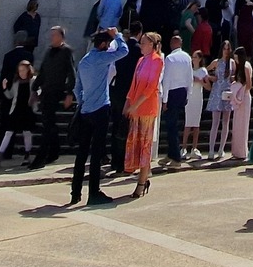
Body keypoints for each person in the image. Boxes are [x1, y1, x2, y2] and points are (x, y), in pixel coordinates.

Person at [67, 27, 129, 207]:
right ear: (102, 44)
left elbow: (77, 87)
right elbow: (123, 51)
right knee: (96, 153)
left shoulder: (84, 61)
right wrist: (116, 34)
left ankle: (75, 191)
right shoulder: (101, 59)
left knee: (81, 153)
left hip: (85, 110)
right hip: (100, 108)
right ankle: (93, 192)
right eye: (107, 44)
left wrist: (82, 102)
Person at [123, 31, 165, 194]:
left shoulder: (157, 60)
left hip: (147, 108)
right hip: (136, 107)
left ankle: (141, 183)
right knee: (137, 144)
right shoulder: (141, 60)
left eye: (144, 43)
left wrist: (136, 104)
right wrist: (128, 102)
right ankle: (143, 179)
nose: (141, 46)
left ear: (152, 45)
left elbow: (151, 86)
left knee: (145, 145)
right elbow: (134, 84)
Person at [33, 26, 75, 168]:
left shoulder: (66, 51)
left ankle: (41, 157)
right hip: (46, 90)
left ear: (61, 37)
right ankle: (54, 151)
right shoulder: (49, 51)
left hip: (56, 91)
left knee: (48, 123)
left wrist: (70, 93)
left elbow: (71, 72)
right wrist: (34, 88)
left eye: (54, 35)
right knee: (48, 123)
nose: (51, 38)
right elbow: (43, 71)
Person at [0, 57, 38, 165]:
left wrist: (35, 96)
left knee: (27, 132)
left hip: (28, 110)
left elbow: (39, 91)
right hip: (16, 109)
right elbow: (10, 96)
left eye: (23, 70)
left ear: (28, 70)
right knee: (8, 132)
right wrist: (4, 88)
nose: (21, 72)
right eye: (20, 70)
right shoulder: (16, 81)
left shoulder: (33, 81)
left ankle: (27, 155)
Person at [159, 32, 194, 164]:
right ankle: (171, 153)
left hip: (172, 92)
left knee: (171, 126)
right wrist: (188, 94)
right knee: (174, 125)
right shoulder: (187, 57)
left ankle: (175, 157)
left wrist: (165, 100)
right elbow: (189, 77)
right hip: (182, 92)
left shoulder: (170, 58)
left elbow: (166, 79)